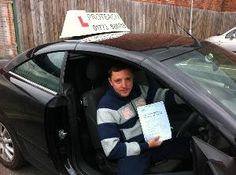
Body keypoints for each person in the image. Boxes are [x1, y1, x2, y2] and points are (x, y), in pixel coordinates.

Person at [97, 64, 191, 175]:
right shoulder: (106, 109)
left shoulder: (139, 90)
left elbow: (162, 96)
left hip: (155, 139)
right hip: (133, 151)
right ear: (110, 82)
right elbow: (112, 150)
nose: (124, 85)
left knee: (194, 147)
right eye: (118, 81)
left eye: (128, 79)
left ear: (133, 77)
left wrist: (188, 95)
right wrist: (146, 146)